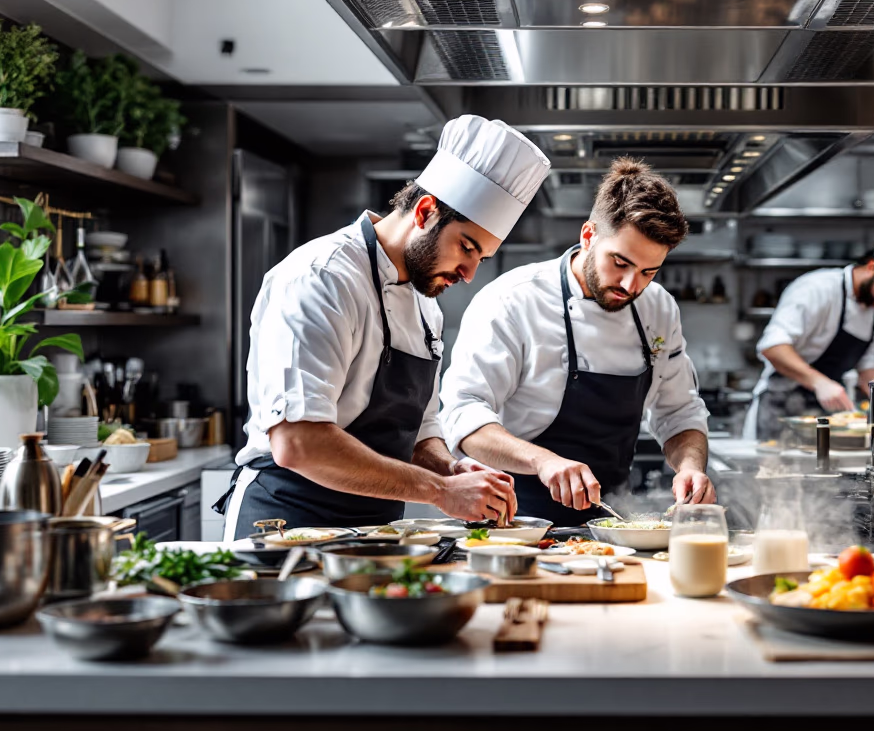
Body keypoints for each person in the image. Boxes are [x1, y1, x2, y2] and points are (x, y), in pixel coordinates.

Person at [218, 115, 551, 540]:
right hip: (286, 524)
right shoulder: (321, 277)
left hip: (375, 532)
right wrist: (441, 491)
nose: (468, 273)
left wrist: (451, 468)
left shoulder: (425, 299)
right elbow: (298, 443)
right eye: (467, 247)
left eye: (480, 259)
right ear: (426, 212)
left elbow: (419, 431)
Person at [438, 158, 714, 527]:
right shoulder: (513, 300)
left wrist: (690, 467)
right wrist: (544, 461)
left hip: (612, 520)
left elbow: (679, 411)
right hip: (513, 520)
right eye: (619, 262)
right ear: (588, 235)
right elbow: (463, 415)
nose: (631, 286)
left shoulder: (658, 306)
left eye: (648, 272)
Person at [743, 220, 874, 441]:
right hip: (778, 410)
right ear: (872, 266)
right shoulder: (817, 289)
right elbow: (773, 347)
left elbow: (866, 370)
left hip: (825, 420)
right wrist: (819, 382)